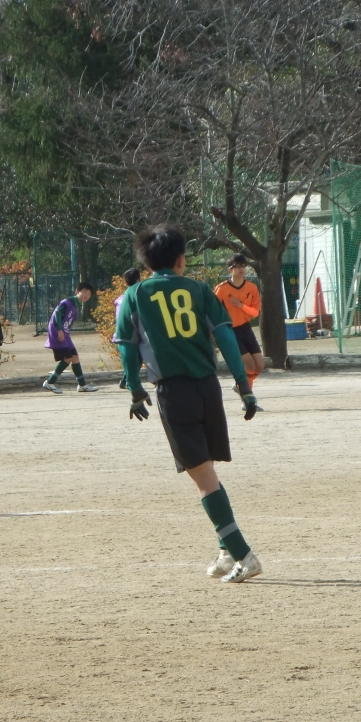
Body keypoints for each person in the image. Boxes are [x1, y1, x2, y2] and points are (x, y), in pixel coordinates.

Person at [115, 225, 262, 583]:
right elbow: (225, 335)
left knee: (203, 479)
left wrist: (135, 389)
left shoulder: (135, 295)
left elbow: (128, 348)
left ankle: (243, 555)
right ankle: (225, 553)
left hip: (174, 392)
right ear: (181, 259)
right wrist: (244, 385)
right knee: (207, 471)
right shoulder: (199, 290)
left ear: (147, 263)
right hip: (208, 388)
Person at [214, 253, 265, 394]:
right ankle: (247, 396)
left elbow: (255, 312)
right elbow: (212, 311)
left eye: (243, 266)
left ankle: (240, 386)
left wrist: (241, 306)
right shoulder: (222, 289)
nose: (241, 269)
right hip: (231, 330)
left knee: (259, 366)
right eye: (237, 266)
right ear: (230, 269)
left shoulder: (251, 287)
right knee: (249, 365)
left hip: (245, 328)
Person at [42, 282, 99, 394]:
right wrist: (59, 330)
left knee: (75, 357)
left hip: (65, 333)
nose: (86, 295)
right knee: (68, 358)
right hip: (58, 332)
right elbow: (58, 313)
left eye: (89, 294)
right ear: (77, 291)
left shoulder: (76, 305)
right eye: (84, 292)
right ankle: (50, 382)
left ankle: (82, 385)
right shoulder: (68, 302)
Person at [115, 268, 141, 389]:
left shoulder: (121, 297)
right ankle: (131, 384)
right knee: (135, 360)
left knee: (133, 360)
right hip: (130, 333)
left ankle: (125, 380)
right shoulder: (136, 295)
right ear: (138, 279)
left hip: (121, 333)